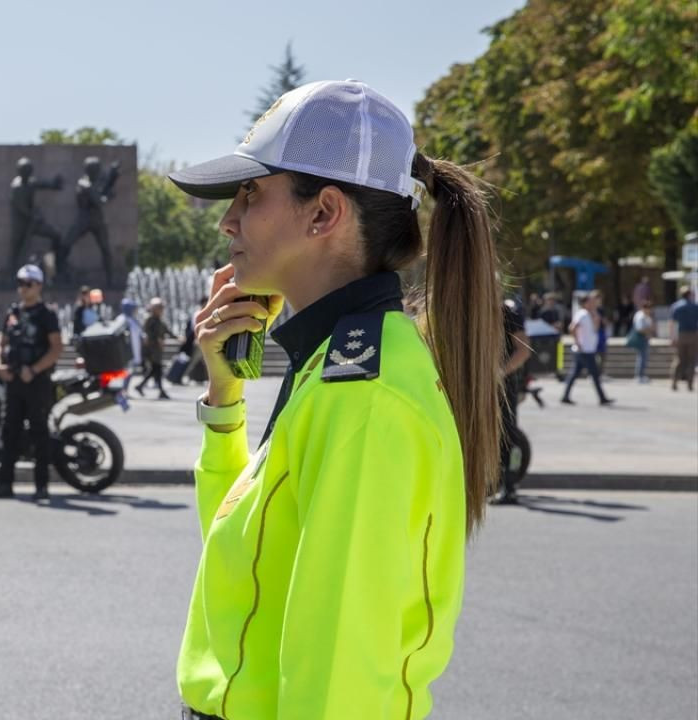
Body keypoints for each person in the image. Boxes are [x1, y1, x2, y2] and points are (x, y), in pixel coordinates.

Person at [167, 79, 504, 719]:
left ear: (323, 213)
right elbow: (244, 555)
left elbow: (339, 675)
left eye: (250, 194)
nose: (227, 220)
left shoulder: (363, 391)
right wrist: (224, 395)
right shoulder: (337, 360)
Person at [0, 264, 63, 500]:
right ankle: (4, 484)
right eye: (20, 283)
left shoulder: (46, 314)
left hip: (37, 382)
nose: (23, 288)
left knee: (39, 433)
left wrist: (35, 369)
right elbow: (2, 342)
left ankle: (41, 486)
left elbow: (57, 348)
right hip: (13, 380)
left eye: (28, 284)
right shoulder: (13, 313)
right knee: (10, 432)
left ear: (39, 286)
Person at [493, 297, 532, 505]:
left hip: (503, 385)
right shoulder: (475, 311)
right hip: (483, 387)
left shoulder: (508, 314)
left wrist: (499, 374)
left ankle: (509, 487)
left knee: (507, 435)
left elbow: (523, 350)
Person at [561, 291, 613, 406]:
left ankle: (565, 396)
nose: (593, 303)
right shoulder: (582, 314)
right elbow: (572, 328)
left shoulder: (590, 314)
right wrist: (577, 342)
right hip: (584, 350)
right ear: (585, 303)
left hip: (587, 349)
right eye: (590, 301)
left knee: (575, 374)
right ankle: (602, 397)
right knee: (594, 374)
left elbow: (595, 329)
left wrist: (596, 316)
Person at [136, 297, 176, 399]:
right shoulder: (149, 319)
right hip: (152, 350)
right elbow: (147, 333)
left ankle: (141, 386)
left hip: (157, 350)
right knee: (157, 370)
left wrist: (177, 337)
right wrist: (157, 339)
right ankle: (161, 391)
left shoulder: (160, 321)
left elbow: (167, 331)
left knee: (155, 370)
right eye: (159, 308)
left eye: (161, 308)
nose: (161, 310)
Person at [669, 285, 698, 392]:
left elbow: (672, 324)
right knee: (692, 360)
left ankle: (674, 383)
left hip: (680, 335)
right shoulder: (695, 306)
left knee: (679, 359)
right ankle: (690, 384)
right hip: (693, 335)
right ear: (689, 294)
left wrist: (672, 337)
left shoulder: (676, 306)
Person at [630, 299, 654, 383]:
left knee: (643, 357)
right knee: (641, 357)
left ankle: (641, 375)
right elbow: (639, 328)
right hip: (641, 339)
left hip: (645, 339)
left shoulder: (646, 316)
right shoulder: (640, 316)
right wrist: (647, 331)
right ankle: (639, 376)